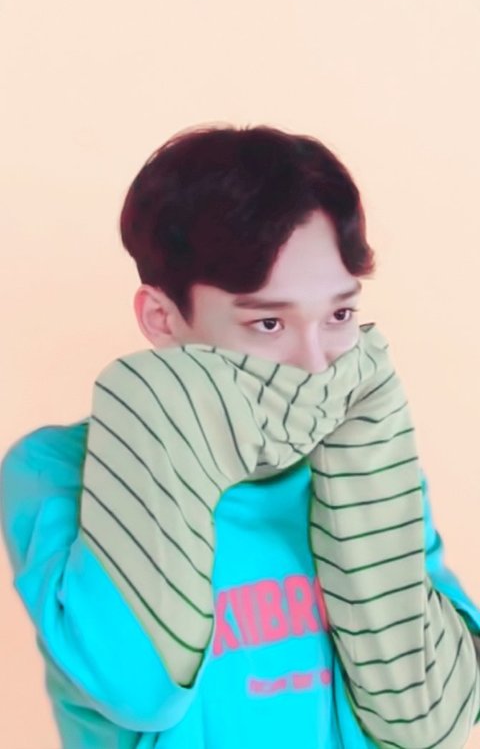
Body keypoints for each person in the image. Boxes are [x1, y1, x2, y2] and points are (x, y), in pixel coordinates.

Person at [1, 124, 479, 749]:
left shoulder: (364, 462)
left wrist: (363, 447)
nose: (316, 365)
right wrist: (157, 400)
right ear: (162, 318)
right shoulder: (58, 470)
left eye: (339, 315)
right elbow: (138, 686)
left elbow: (428, 716)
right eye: (269, 323)